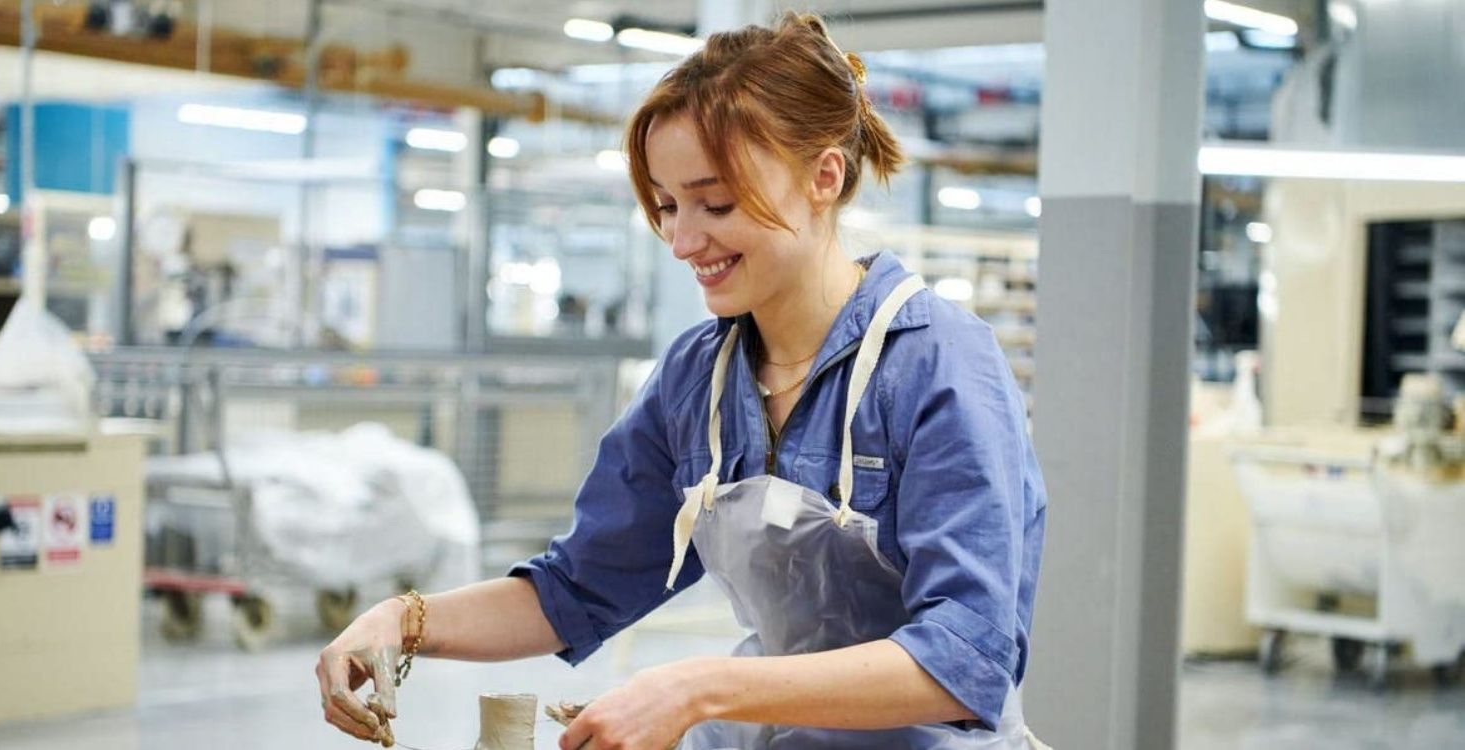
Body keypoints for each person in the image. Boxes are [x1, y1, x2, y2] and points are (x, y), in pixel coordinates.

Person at [318, 12, 1049, 750]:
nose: (681, 240)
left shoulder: (937, 363)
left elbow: (968, 660)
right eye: (668, 206)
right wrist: (404, 621)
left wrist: (697, 687)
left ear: (824, 177)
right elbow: (577, 589)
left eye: (717, 204)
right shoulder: (700, 379)